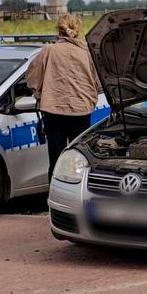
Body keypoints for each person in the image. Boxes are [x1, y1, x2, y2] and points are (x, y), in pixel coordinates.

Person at [26, 15, 101, 180]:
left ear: (58, 31)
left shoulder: (48, 51)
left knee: (56, 160)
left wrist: (41, 95)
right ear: (78, 30)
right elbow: (98, 83)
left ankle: (55, 194)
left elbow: (32, 79)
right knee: (79, 160)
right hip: (81, 111)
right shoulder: (87, 53)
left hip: (53, 112)